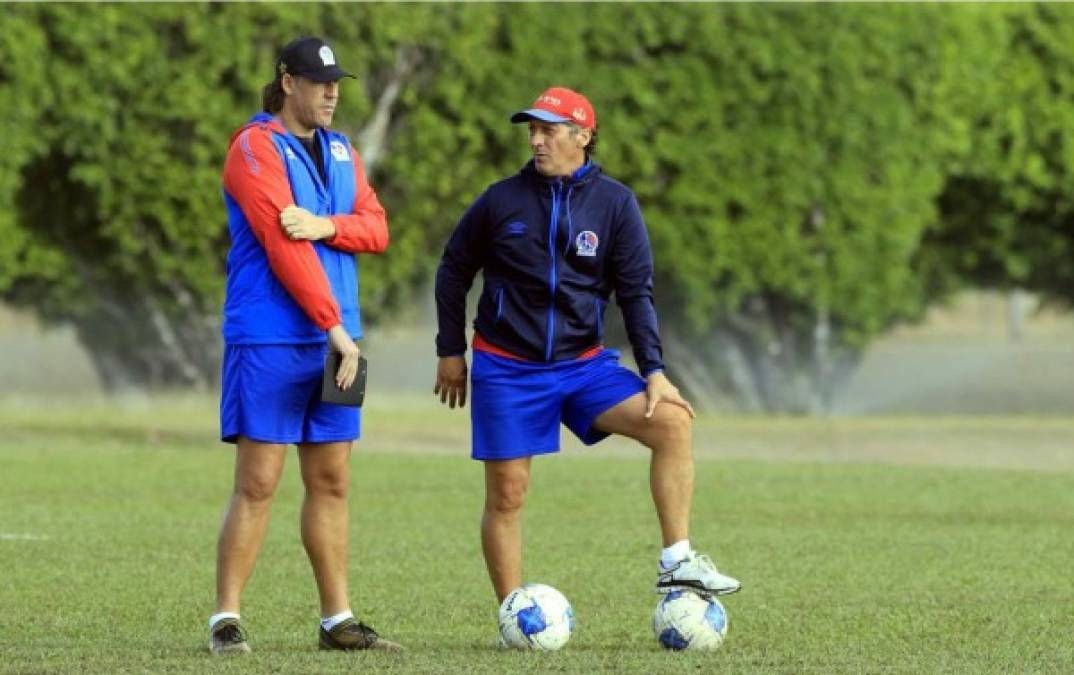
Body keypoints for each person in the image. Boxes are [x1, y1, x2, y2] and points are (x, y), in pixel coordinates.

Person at [433, 87, 742, 617]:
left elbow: (636, 291)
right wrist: (450, 350)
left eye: (549, 130)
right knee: (507, 495)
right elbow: (453, 270)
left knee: (671, 421)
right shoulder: (499, 199)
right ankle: (515, 613)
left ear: (583, 135)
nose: (536, 139)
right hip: (507, 368)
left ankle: (677, 560)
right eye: (532, 129)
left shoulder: (616, 203)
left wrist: (655, 371)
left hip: (582, 367)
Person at [210, 36, 400, 655]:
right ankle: (226, 620)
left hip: (339, 342)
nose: (332, 92)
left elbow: (377, 229)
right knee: (258, 482)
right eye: (319, 82)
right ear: (287, 81)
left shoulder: (344, 150)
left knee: (334, 480)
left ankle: (336, 621)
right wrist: (336, 330)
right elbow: (281, 245)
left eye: (336, 82)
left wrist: (327, 225)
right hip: (273, 339)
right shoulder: (253, 148)